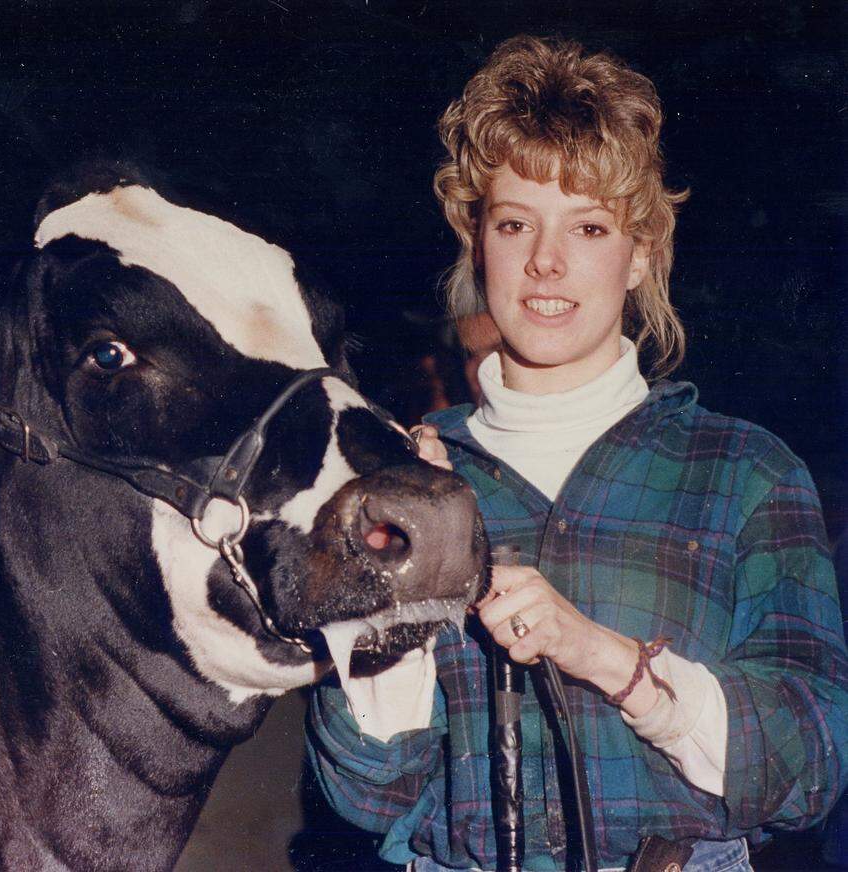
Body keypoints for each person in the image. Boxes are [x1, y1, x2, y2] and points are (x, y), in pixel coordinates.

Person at [307, 35, 848, 871]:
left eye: (589, 226)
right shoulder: (404, 479)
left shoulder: (744, 472)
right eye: (514, 222)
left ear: (639, 255)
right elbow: (365, 799)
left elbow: (812, 767)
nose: (545, 262)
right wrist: (399, 594)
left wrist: (607, 657)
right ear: (477, 241)